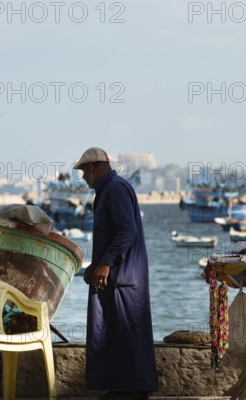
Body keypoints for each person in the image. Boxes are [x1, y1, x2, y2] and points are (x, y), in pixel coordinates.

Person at [73, 147, 158, 400]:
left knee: (128, 334)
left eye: (84, 172)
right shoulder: (106, 190)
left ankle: (134, 391)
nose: (83, 178)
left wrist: (106, 263)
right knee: (112, 333)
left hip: (124, 278)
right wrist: (95, 265)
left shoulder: (116, 189)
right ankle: (120, 388)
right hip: (114, 276)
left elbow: (126, 231)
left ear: (92, 168)